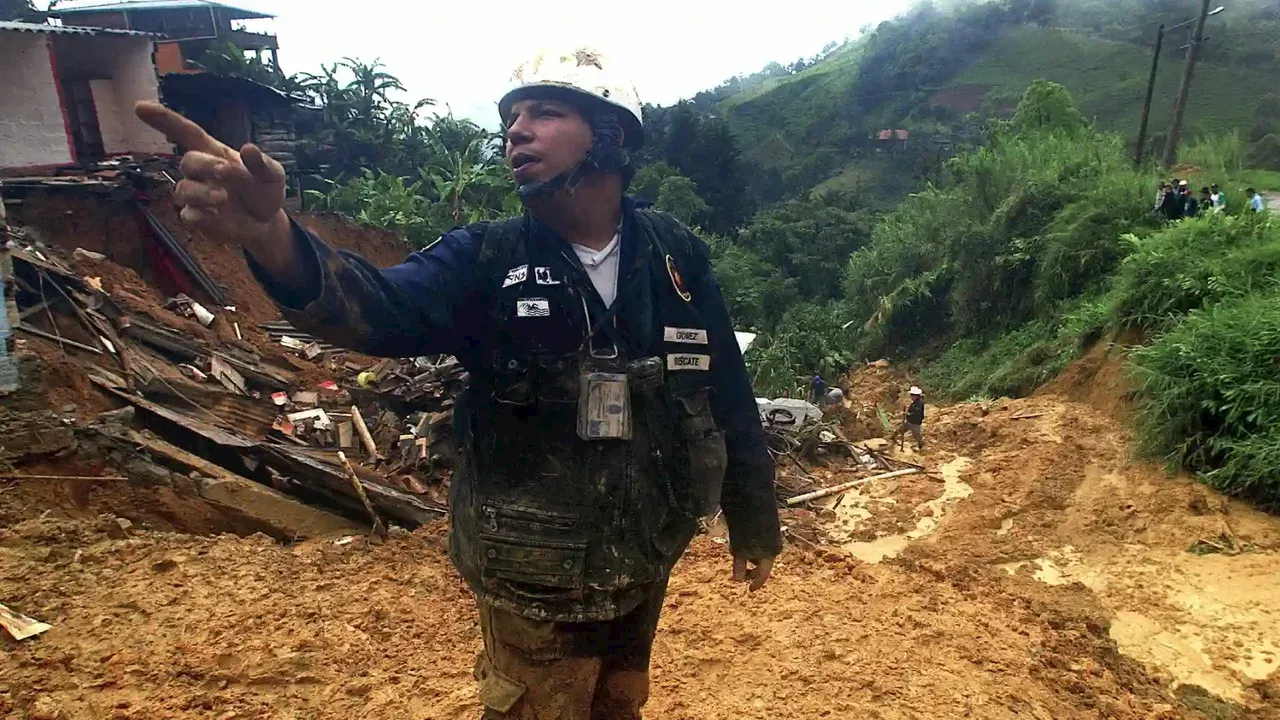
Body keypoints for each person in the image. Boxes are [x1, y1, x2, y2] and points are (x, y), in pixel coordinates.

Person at [134, 46, 782, 720]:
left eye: (546, 112)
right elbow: (379, 309)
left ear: (613, 136)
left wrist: (754, 520)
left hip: (646, 551)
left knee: (619, 703)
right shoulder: (484, 259)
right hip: (533, 572)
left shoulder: (672, 254)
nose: (516, 131)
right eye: (511, 118)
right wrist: (273, 238)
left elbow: (726, 390)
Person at [893, 386, 925, 451]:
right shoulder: (915, 402)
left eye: (911, 396)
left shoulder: (920, 403)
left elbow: (917, 412)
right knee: (901, 429)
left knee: (916, 435)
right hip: (909, 421)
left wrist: (907, 414)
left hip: (915, 422)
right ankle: (893, 439)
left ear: (915, 395)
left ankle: (920, 446)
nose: (911, 397)